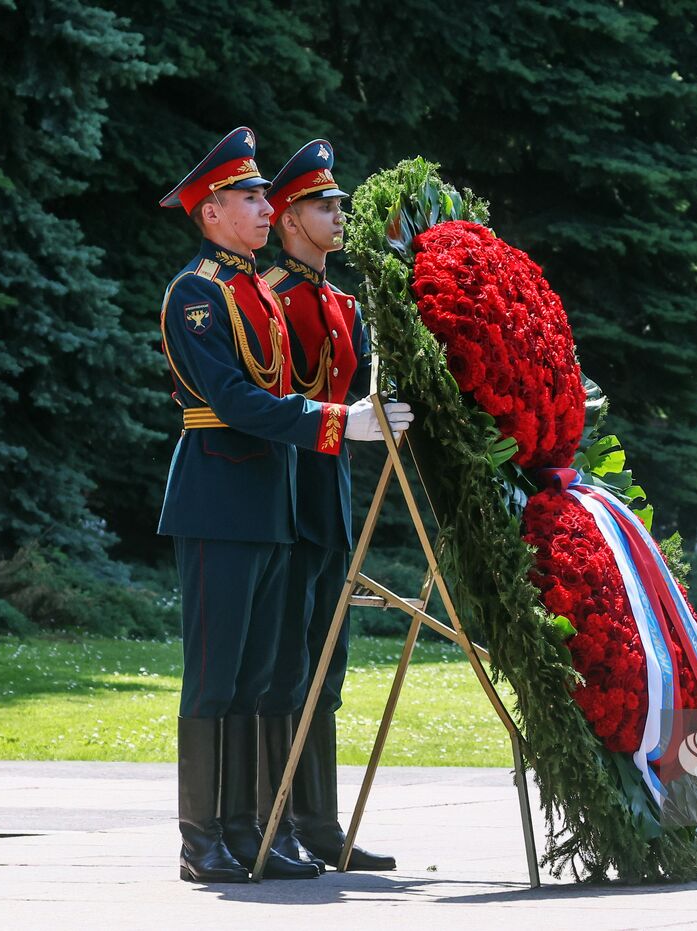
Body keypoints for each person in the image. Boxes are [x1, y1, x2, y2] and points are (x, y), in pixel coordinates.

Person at [158, 127, 412, 884]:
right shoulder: (198, 294)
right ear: (210, 212)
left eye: (267, 195)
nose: (266, 207)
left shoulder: (253, 291)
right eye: (250, 197)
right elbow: (236, 400)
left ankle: (244, 830)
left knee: (260, 676)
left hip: (267, 496)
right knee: (213, 674)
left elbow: (282, 392)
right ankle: (199, 836)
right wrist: (340, 423)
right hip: (218, 494)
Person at [259, 139, 394, 871]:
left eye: (339, 203)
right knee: (285, 662)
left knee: (326, 663)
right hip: (283, 489)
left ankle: (317, 821)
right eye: (322, 205)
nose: (337, 215)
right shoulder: (270, 298)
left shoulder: (341, 303)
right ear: (286, 218)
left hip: (330, 491)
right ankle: (273, 820)